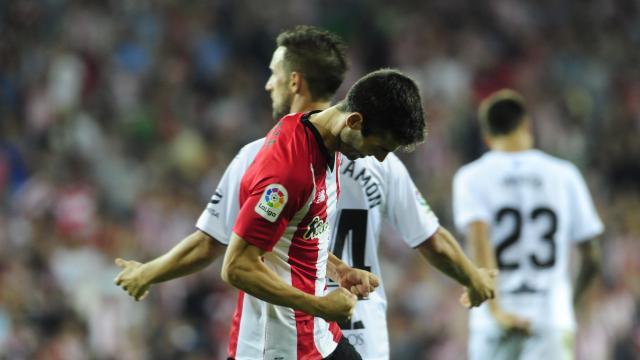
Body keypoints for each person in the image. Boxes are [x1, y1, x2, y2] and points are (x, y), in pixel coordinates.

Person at [115, 26, 496, 359]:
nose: (378, 159)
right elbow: (236, 265)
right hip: (280, 344)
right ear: (355, 121)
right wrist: (320, 305)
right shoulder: (283, 168)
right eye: (380, 147)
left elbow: (295, 231)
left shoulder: (323, 142)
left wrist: (339, 269)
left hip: (318, 334)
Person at [452, 89, 603, 360]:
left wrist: (496, 310)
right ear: (527, 125)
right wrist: (568, 305)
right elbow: (592, 257)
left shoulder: (471, 177)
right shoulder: (565, 175)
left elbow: (478, 240)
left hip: (494, 319)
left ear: (487, 137)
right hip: (551, 317)